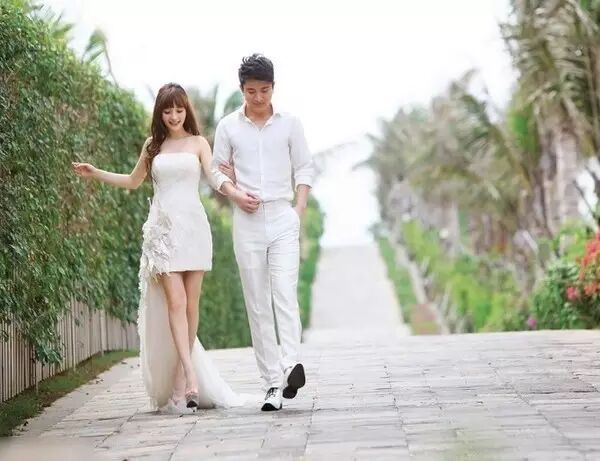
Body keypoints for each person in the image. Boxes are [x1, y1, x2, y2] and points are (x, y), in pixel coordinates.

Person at [72, 83, 244, 412]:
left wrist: (235, 183)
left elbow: (215, 177)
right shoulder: (153, 145)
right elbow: (133, 181)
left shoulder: (198, 143)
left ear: (186, 110)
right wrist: (95, 173)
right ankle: (191, 375)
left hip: (194, 229)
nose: (174, 116)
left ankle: (181, 380)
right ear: (160, 113)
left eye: (179, 110)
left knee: (191, 306)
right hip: (163, 234)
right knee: (175, 303)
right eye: (167, 111)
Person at [211, 54, 315, 411]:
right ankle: (272, 384)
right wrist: (236, 194)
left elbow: (305, 168)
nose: (258, 98)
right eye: (251, 91)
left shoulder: (290, 124)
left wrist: (298, 211)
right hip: (247, 221)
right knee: (257, 302)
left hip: (283, 216)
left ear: (274, 87)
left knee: (284, 293)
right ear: (242, 89)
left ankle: (290, 365)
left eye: (265, 90)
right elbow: (217, 171)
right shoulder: (228, 126)